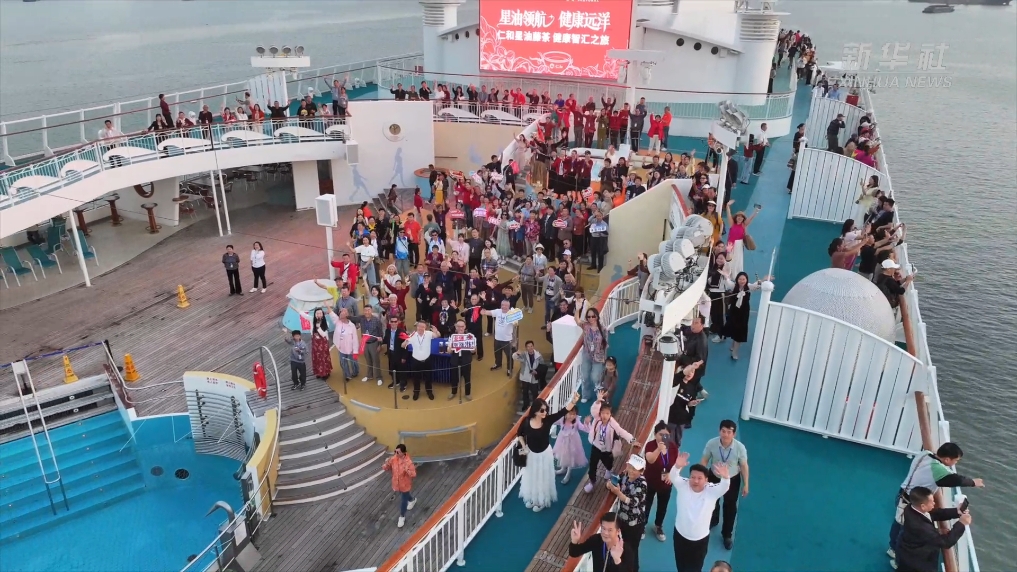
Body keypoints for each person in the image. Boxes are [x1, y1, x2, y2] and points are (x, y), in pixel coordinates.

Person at [888, 442, 984, 564]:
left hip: (903, 493)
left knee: (899, 523)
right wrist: (973, 482)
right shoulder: (938, 469)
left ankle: (892, 548)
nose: (955, 463)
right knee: (904, 530)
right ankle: (897, 556)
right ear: (947, 459)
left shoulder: (925, 454)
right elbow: (955, 479)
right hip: (911, 502)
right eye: (956, 460)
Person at [516, 393, 580, 512]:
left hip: (545, 455)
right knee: (532, 476)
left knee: (542, 477)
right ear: (535, 411)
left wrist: (573, 401)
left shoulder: (547, 420)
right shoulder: (526, 421)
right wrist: (524, 447)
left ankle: (541, 501)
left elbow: (562, 412)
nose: (545, 412)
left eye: (546, 410)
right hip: (531, 455)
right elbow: (519, 434)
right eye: (542, 410)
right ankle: (533, 498)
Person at [669, 453, 731, 572]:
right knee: (681, 566)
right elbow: (673, 476)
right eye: (693, 477)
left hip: (700, 540)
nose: (695, 481)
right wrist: (677, 466)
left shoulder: (712, 491)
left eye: (699, 478)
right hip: (680, 535)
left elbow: (724, 487)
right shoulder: (683, 485)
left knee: (695, 569)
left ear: (706, 480)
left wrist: (725, 477)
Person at [895, 486, 971, 572]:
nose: (934, 503)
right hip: (916, 563)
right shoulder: (922, 527)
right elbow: (946, 542)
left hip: (907, 553)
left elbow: (934, 514)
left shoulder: (911, 508)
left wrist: (956, 511)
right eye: (932, 502)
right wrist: (961, 524)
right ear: (923, 506)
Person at [701, 420, 749, 550]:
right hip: (714, 476)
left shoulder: (740, 448)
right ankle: (713, 519)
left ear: (734, 434)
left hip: (732, 479)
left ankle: (727, 535)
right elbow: (704, 460)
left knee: (730, 507)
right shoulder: (712, 443)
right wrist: (702, 477)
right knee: (712, 501)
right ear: (719, 431)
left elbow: (744, 466)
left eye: (729, 432)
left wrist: (746, 484)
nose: (726, 434)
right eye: (723, 431)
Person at [584, 393, 635, 493]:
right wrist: (598, 401)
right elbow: (593, 410)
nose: (604, 415)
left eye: (607, 413)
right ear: (600, 413)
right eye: (603, 413)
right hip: (596, 446)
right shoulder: (597, 419)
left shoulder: (612, 423)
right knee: (593, 465)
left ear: (610, 414)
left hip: (607, 449)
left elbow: (621, 431)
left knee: (608, 462)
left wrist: (632, 439)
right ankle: (592, 482)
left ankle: (609, 469)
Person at [607, 455, 648, 572]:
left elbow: (633, 502)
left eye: (635, 469)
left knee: (632, 550)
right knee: (623, 547)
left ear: (641, 471)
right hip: (622, 520)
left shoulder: (642, 484)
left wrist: (618, 493)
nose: (631, 471)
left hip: (634, 524)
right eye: (630, 467)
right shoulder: (625, 475)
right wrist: (610, 484)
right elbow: (615, 480)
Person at [643, 421, 680, 542]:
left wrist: (671, 474)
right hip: (650, 480)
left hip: (666, 483)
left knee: (662, 506)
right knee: (646, 504)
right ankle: (643, 525)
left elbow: (677, 464)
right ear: (655, 434)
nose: (664, 437)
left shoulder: (673, 447)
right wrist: (658, 449)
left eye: (666, 435)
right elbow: (650, 459)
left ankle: (658, 526)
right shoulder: (650, 445)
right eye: (661, 434)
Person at [567, 513, 634, 572]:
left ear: (618, 531)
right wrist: (574, 541)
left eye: (610, 530)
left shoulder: (626, 549)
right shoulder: (596, 540)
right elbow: (574, 553)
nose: (605, 533)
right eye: (603, 528)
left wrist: (617, 560)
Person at [402, 321, 442, 401]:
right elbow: (403, 346)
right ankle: (416, 392)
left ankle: (429, 392)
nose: (420, 328)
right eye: (419, 326)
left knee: (428, 378)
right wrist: (406, 340)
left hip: (427, 360)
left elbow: (438, 336)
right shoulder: (413, 335)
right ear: (416, 327)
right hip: (416, 361)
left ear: (425, 328)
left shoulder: (429, 334)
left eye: (422, 327)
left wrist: (436, 331)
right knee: (416, 378)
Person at [381, 444, 418, 529]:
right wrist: (385, 464)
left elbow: (413, 474)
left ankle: (402, 516)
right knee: (404, 495)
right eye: (395, 451)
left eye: (398, 452)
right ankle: (412, 500)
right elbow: (387, 467)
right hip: (397, 484)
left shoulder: (408, 462)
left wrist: (407, 470)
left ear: (403, 453)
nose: (396, 453)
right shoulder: (394, 459)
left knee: (403, 501)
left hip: (405, 484)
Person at [579, 307, 609, 402]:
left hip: (598, 356)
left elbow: (605, 345)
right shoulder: (585, 326)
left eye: (593, 316)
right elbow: (577, 320)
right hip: (587, 354)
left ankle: (599, 392)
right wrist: (578, 309)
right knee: (585, 376)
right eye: (589, 317)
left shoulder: (603, 329)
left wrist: (604, 359)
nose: (591, 318)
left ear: (597, 316)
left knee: (595, 377)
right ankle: (586, 395)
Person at [552, 408, 589, 485]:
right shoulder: (561, 419)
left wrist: (586, 423)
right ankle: (563, 469)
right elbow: (552, 421)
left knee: (570, 457)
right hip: (562, 441)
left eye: (574, 414)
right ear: (565, 413)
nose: (572, 416)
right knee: (563, 454)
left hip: (573, 443)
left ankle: (568, 473)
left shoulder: (576, 421)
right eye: (570, 413)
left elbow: (584, 428)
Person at [482, 299, 519, 376]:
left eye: (506, 305)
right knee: (497, 353)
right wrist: (484, 312)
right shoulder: (498, 311)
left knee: (509, 355)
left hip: (507, 340)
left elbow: (515, 323)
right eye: (503, 305)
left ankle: (509, 368)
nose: (504, 307)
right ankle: (498, 364)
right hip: (497, 339)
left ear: (509, 306)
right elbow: (489, 312)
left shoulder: (511, 314)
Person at [513, 340, 544, 413]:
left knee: (535, 393)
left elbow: (542, 365)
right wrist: (517, 353)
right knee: (525, 392)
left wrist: (536, 371)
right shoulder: (523, 355)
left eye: (531, 346)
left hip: (534, 378)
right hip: (525, 377)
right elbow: (514, 357)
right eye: (528, 347)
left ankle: (535, 407)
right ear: (526, 348)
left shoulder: (538, 355)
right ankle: (525, 405)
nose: (530, 348)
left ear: (533, 346)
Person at [333, 308, 361, 382]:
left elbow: (355, 339)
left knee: (353, 362)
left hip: (350, 348)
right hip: (341, 348)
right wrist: (327, 306)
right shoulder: (338, 322)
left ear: (347, 315)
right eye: (341, 313)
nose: (342, 314)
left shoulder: (351, 326)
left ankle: (355, 372)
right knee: (343, 362)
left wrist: (355, 350)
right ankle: (347, 375)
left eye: (344, 313)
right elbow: (332, 315)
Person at [383, 317, 408, 391]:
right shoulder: (387, 331)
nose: (393, 323)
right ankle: (396, 382)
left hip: (399, 355)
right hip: (391, 353)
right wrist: (380, 340)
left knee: (401, 370)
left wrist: (404, 357)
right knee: (392, 369)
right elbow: (385, 340)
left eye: (395, 321)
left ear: (398, 322)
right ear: (389, 322)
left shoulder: (402, 331)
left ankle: (403, 384)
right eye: (392, 321)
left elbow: (406, 345)